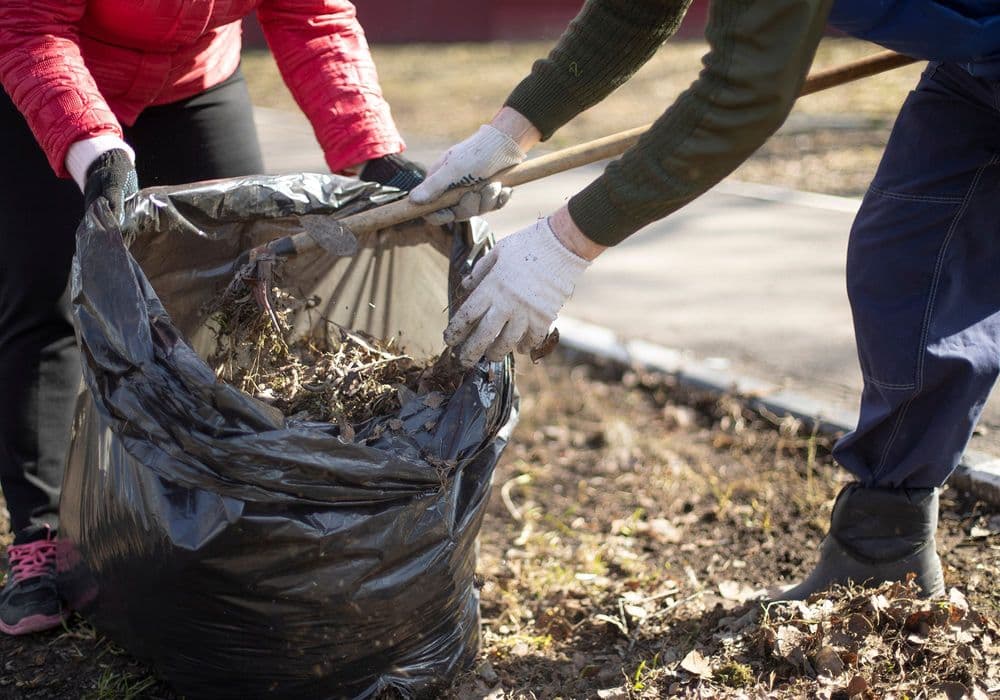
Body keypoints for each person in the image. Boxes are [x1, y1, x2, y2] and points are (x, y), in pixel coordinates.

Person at [411, 0, 1000, 600]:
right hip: (973, 66)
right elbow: (632, 12)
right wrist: (507, 135)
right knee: (908, 264)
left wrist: (562, 245)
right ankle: (884, 544)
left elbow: (743, 90)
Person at [0, 0, 424, 636]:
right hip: (55, 76)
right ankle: (38, 543)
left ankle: (202, 521)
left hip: (196, 80)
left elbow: (312, 16)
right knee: (46, 298)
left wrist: (370, 151)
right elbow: (30, 23)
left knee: (232, 292)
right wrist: (95, 152)